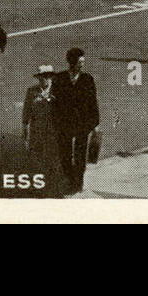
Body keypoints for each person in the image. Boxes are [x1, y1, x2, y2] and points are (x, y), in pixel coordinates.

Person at [52, 48, 100, 195]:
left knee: (80, 155)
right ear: (72, 62)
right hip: (64, 123)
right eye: (80, 62)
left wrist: (95, 124)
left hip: (82, 123)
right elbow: (55, 103)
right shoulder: (59, 79)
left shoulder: (87, 79)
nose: (82, 64)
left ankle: (78, 183)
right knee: (64, 154)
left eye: (83, 62)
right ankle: (69, 179)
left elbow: (93, 102)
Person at [22, 64, 65, 194]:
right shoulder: (32, 91)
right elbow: (26, 112)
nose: (44, 79)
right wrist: (24, 131)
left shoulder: (58, 92)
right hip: (37, 132)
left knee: (53, 160)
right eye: (41, 77)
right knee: (36, 159)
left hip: (53, 133)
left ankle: (52, 188)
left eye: (47, 77)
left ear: (51, 77)